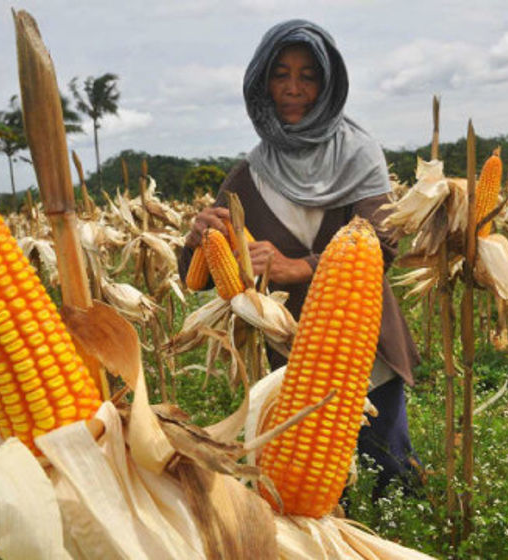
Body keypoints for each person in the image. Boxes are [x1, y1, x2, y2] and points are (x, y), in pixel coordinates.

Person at [177, 19, 421, 498]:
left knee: (389, 472)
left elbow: (383, 242)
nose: (293, 89)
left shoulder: (359, 153)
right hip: (290, 358)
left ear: (328, 84)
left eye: (308, 75)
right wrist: (198, 239)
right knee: (312, 487)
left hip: (361, 348)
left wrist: (299, 267)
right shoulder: (250, 174)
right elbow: (201, 278)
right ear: (261, 84)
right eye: (281, 74)